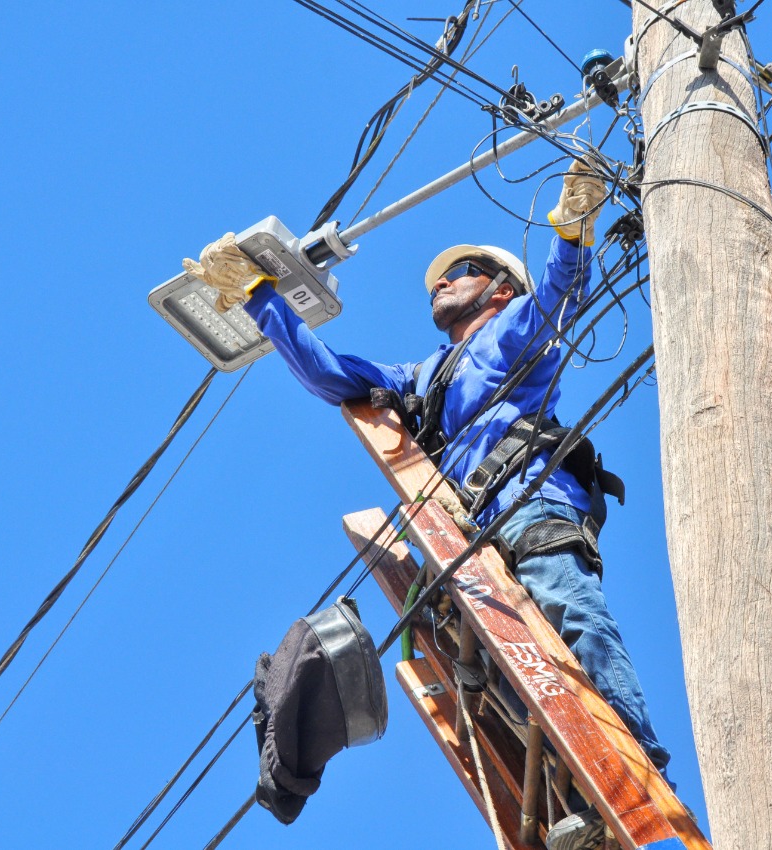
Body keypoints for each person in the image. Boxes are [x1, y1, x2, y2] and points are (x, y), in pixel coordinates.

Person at [186, 162, 668, 849]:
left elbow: (564, 293)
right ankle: (579, 801)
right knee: (509, 683)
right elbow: (330, 375)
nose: (440, 281)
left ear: (499, 289)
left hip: (529, 517)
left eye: (460, 270)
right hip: (468, 544)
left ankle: (640, 774)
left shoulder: (513, 334)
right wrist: (260, 295)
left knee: (574, 618)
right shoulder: (423, 378)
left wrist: (574, 228)